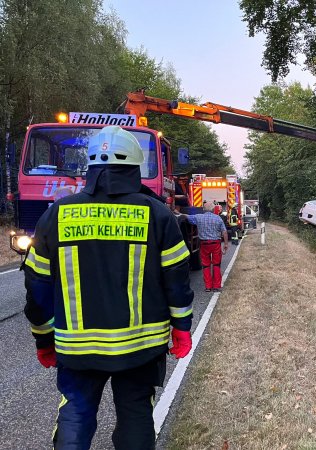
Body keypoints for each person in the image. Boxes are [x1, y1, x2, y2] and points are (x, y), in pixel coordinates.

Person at [23, 125, 194, 450]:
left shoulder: (57, 214)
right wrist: (182, 328)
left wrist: (44, 338)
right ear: (136, 165)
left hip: (75, 350)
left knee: (74, 414)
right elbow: (177, 281)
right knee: (135, 416)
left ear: (89, 165)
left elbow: (37, 287)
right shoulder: (157, 214)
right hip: (140, 350)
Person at [177, 204, 228, 292]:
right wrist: (226, 244)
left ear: (204, 209)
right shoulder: (218, 218)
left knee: (206, 265)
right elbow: (224, 232)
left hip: (204, 245)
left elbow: (187, 217)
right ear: (213, 209)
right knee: (216, 265)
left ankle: (208, 287)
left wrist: (178, 213)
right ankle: (216, 286)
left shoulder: (198, 217)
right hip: (215, 244)